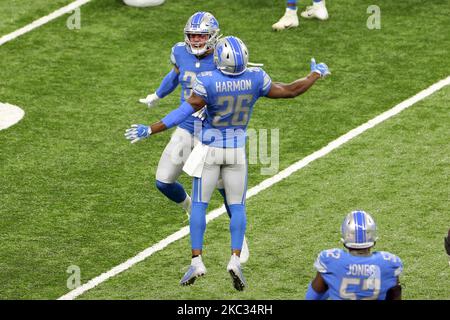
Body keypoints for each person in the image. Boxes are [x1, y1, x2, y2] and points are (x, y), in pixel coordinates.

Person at [125, 36, 329, 290]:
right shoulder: (255, 78)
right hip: (235, 149)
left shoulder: (208, 81)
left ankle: (198, 259)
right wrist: (315, 74)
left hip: (209, 146)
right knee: (236, 204)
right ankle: (234, 256)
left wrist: (151, 129)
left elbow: (182, 112)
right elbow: (290, 90)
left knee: (200, 204)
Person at [138, 12, 250, 263]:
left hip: (213, 131)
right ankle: (189, 207)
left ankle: (240, 238)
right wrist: (157, 95)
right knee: (163, 181)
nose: (197, 40)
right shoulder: (179, 51)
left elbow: (236, 84)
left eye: (201, 35)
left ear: (213, 36)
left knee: (224, 187)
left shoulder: (224, 56)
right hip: (186, 126)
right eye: (193, 35)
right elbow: (175, 75)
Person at [306, 210, 403, 300]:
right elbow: (395, 296)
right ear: (373, 239)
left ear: (345, 238)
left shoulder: (330, 260)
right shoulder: (389, 263)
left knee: (328, 282)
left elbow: (313, 297)